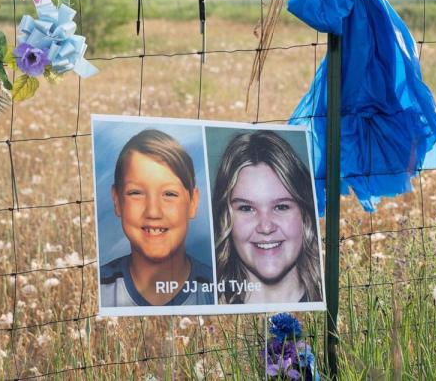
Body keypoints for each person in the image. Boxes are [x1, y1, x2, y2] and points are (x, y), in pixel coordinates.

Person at [100, 129, 214, 307]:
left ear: (193, 202)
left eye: (169, 194)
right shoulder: (98, 289)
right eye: (136, 193)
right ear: (117, 200)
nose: (153, 212)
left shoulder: (220, 289)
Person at [213, 130, 322, 304]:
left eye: (281, 207)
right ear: (225, 218)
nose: (265, 227)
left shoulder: (336, 303)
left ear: (306, 215)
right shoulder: (203, 309)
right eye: (247, 208)